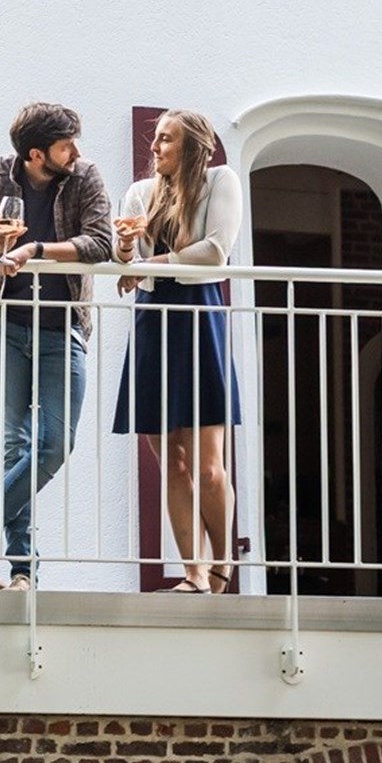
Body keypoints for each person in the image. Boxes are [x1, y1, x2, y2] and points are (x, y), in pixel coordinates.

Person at [0, 102, 113, 591]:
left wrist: (34, 250)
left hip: (62, 326)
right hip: (4, 327)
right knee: (15, 447)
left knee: (55, 443)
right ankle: (24, 571)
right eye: (67, 145)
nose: (77, 152)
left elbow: (100, 243)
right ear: (37, 153)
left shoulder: (84, 177)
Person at [112, 109, 241, 594]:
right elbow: (128, 264)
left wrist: (151, 262)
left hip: (199, 313)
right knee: (172, 460)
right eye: (156, 138)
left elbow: (215, 252)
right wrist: (126, 249)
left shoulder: (219, 181)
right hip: (153, 317)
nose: (156, 147)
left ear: (190, 148)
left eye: (166, 140)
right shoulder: (140, 194)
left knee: (209, 462)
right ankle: (193, 572)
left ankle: (222, 564)